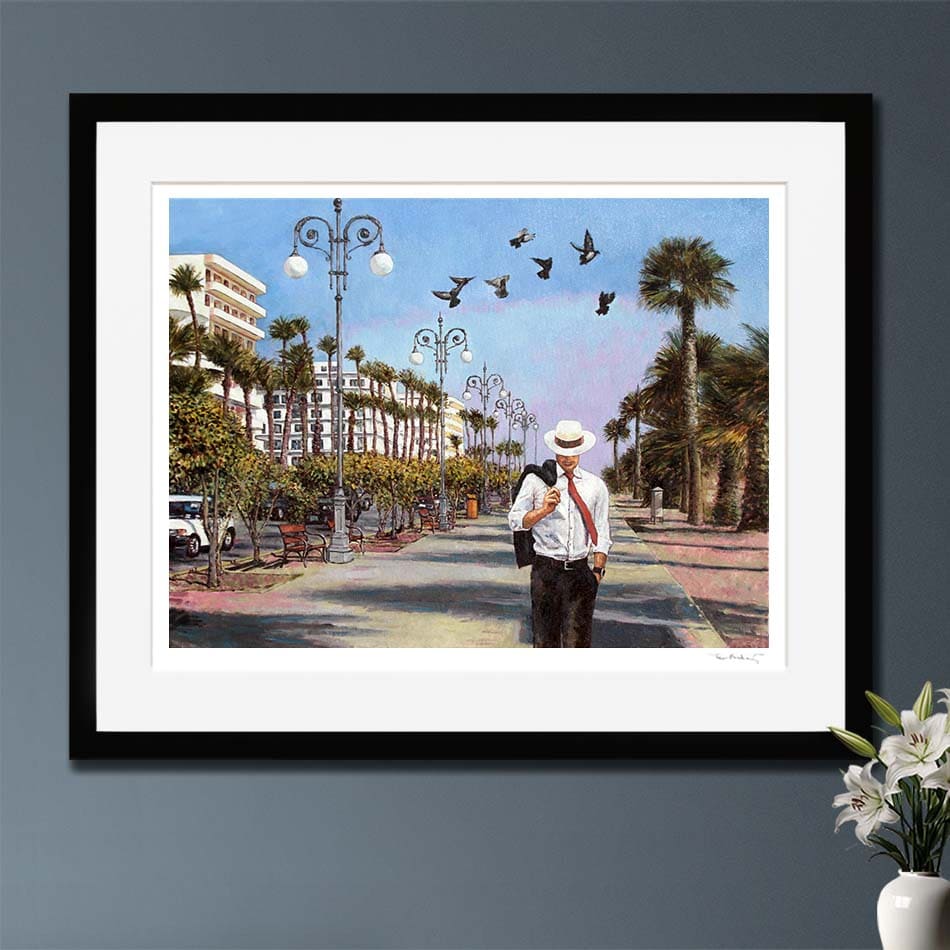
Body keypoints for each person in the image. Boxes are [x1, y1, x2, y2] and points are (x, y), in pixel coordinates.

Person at [508, 419, 612, 648]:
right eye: (562, 450)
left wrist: (597, 571)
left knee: (578, 645)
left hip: (580, 573)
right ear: (554, 449)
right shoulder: (536, 481)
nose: (567, 457)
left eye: (573, 451)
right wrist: (543, 511)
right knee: (546, 643)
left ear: (581, 450)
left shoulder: (595, 486)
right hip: (546, 573)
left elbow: (602, 530)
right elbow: (515, 521)